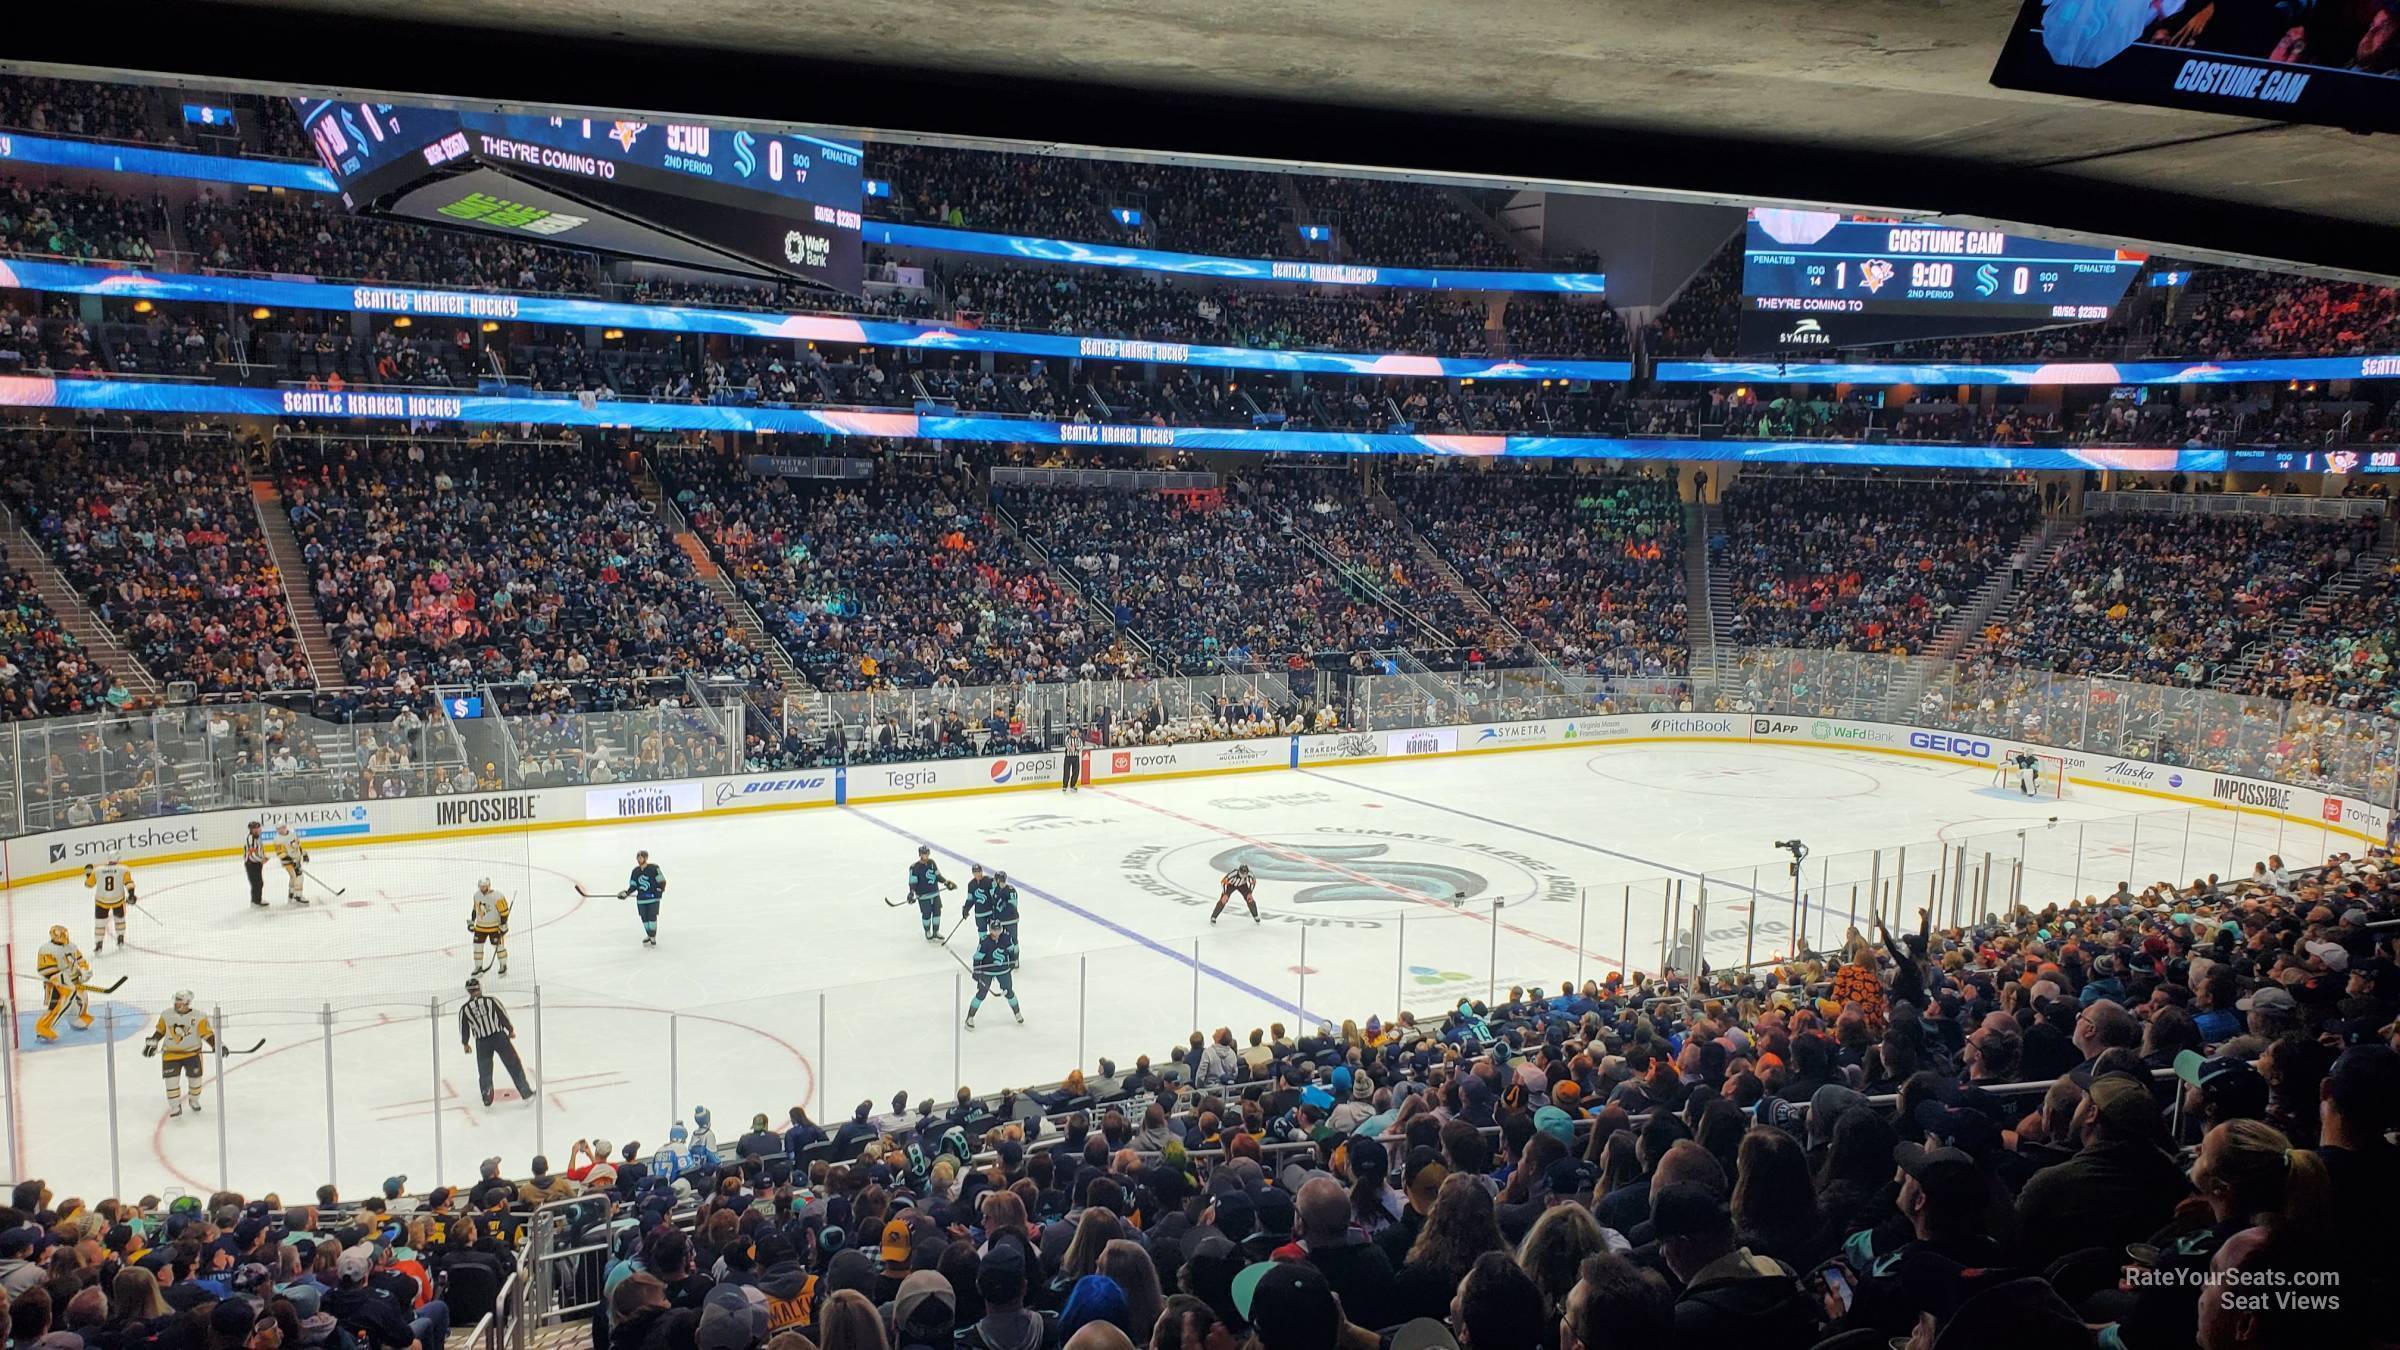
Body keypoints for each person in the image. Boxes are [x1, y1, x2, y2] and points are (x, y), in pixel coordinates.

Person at [459, 976, 535, 1107]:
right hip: (499, 1038)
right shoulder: (491, 1001)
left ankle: (487, 1097)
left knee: (484, 1070)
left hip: (481, 1042)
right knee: (514, 1065)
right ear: (479, 988)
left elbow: (464, 1027)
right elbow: (502, 1015)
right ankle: (525, 1092)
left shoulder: (465, 1009)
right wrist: (510, 1030)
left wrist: (465, 1044)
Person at [143, 989, 218, 1117]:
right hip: (170, 1054)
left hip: (192, 1054)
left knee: (196, 1082)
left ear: (187, 1003)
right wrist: (152, 1044)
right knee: (171, 1081)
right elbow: (160, 1032)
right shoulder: (166, 1015)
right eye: (176, 1000)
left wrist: (217, 1045)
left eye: (180, 1001)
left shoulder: (199, 1016)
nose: (176, 1003)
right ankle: (175, 1106)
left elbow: (207, 1034)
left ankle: (194, 1100)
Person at [33, 924, 94, 1042]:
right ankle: (43, 1027)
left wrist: (84, 971)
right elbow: (45, 969)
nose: (64, 936)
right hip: (57, 984)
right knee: (61, 1001)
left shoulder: (71, 946)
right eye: (61, 934)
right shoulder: (46, 949)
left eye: (64, 934)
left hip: (73, 980)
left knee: (82, 998)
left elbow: (81, 961)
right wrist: (63, 979)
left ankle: (77, 1018)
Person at [966, 917, 1024, 1029]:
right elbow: (977, 958)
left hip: (1003, 971)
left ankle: (1017, 1013)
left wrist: (1013, 961)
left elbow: (1012, 951)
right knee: (981, 994)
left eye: (998, 930)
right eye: (994, 930)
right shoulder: (985, 942)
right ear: (990, 930)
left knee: (1009, 992)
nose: (997, 933)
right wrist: (977, 971)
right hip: (987, 972)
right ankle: (970, 1017)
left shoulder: (1006, 938)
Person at [85, 858, 136, 953]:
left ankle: (99, 944)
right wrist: (131, 894)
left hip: (101, 901)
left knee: (100, 923)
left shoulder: (97, 870)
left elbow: (88, 885)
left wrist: (88, 874)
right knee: (120, 919)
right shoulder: (123, 869)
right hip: (117, 899)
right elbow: (129, 883)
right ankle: (120, 938)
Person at [909, 845, 956, 943]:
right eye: (923, 853)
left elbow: (938, 876)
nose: (925, 855)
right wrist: (911, 892)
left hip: (935, 893)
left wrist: (946, 882)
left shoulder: (932, 863)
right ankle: (927, 931)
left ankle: (936, 931)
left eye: (926, 853)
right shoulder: (915, 867)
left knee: (937, 912)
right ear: (920, 854)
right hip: (923, 896)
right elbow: (913, 881)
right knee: (926, 914)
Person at [620, 850, 665, 947]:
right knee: (644, 918)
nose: (639, 859)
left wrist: (660, 890)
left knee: (652, 917)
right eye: (638, 857)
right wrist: (626, 893)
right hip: (641, 899)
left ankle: (653, 936)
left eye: (641, 857)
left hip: (653, 899)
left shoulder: (654, 868)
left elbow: (662, 881)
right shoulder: (635, 871)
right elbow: (633, 886)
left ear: (646, 858)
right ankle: (649, 935)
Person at [467, 878, 510, 977]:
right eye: (481, 886)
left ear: (488, 885)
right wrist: (472, 922)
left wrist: (503, 924)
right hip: (480, 927)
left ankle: (503, 966)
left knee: (499, 947)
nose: (482, 888)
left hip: (494, 927)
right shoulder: (476, 895)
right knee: (477, 947)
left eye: (484, 886)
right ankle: (478, 967)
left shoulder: (497, 896)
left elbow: (504, 912)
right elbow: (475, 909)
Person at [279, 824, 312, 905]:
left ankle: (292, 895)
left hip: (295, 862)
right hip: (290, 864)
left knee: (294, 878)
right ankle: (298, 896)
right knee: (299, 877)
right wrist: (291, 861)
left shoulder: (294, 840)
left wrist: (304, 854)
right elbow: (282, 854)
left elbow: (299, 849)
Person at [243, 820, 269, 908]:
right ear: (251, 830)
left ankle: (257, 900)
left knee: (259, 882)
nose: (256, 830)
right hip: (252, 863)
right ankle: (255, 901)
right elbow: (252, 853)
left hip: (256, 863)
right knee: (256, 883)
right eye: (254, 829)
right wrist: (261, 859)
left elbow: (258, 851)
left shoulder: (257, 838)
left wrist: (263, 857)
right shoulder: (251, 839)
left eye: (258, 828)